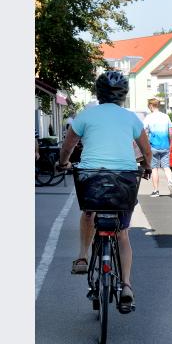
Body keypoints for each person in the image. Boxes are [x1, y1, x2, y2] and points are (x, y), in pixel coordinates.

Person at [58, 70, 152, 313]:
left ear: (98, 92)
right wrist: (148, 166)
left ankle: (82, 256)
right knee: (122, 234)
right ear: (123, 95)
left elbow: (68, 146)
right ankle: (127, 285)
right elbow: (146, 150)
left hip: (92, 178)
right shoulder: (131, 118)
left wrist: (63, 163)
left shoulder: (85, 116)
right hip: (124, 180)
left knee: (89, 212)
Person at [144, 98, 172, 197]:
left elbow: (145, 132)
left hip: (153, 146)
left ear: (151, 106)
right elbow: (170, 132)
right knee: (166, 167)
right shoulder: (166, 117)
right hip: (165, 146)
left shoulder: (149, 117)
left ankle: (156, 191)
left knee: (154, 169)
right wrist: (170, 143)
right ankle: (170, 182)